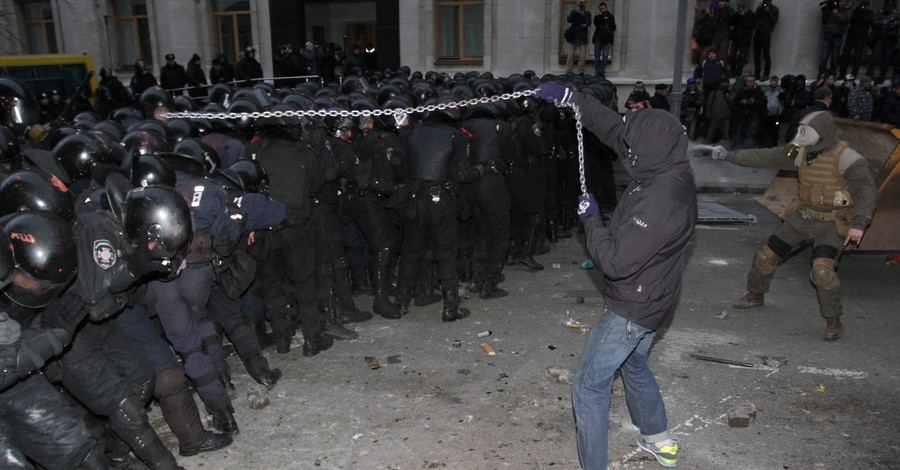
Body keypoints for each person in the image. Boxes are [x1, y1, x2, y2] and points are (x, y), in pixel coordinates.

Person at [535, 81, 696, 470]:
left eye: (631, 145)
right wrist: (574, 99)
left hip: (633, 306)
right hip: (656, 298)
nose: (625, 148)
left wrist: (591, 220)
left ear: (648, 149)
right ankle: (658, 438)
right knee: (635, 364)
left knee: (589, 384)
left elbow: (616, 262)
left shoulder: (660, 202)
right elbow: (615, 131)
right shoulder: (668, 164)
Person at [710, 110, 876, 341]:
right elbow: (767, 157)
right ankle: (756, 294)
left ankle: (833, 320)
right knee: (765, 256)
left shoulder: (848, 158)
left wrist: (860, 223)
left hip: (833, 222)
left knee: (822, 271)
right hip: (804, 216)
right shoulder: (800, 151)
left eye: (806, 131)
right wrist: (730, 156)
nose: (801, 135)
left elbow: (866, 191)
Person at [840, 0, 874, 79]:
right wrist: (857, 11)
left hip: (861, 36)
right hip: (852, 34)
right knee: (846, 54)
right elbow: (850, 20)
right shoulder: (856, 11)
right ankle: (842, 73)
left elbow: (870, 21)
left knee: (857, 56)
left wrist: (864, 12)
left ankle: (854, 74)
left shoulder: (869, 13)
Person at [866, 1, 899, 80]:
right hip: (880, 37)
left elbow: (898, 22)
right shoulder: (879, 12)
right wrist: (882, 23)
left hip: (890, 38)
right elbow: (874, 22)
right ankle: (870, 73)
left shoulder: (896, 13)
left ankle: (882, 75)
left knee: (886, 58)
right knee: (875, 56)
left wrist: (892, 24)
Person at [819, 0, 852, 76]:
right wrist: (826, 11)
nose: (842, 3)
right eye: (841, 1)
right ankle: (821, 74)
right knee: (824, 56)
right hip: (828, 34)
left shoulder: (848, 10)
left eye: (844, 1)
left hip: (838, 35)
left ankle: (833, 74)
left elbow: (845, 20)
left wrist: (836, 13)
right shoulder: (832, 7)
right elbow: (824, 21)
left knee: (835, 57)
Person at [753, 0, 779, 80]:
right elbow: (754, 17)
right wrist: (758, 8)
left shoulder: (774, 9)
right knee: (756, 54)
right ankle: (756, 73)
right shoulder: (761, 8)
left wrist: (768, 12)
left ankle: (766, 73)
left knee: (766, 54)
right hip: (758, 32)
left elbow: (774, 20)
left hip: (766, 33)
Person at [729, 1, 756, 77]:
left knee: (742, 57)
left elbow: (750, 25)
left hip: (744, 39)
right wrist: (736, 14)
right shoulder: (737, 14)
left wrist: (744, 16)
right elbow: (732, 22)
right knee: (731, 55)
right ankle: (732, 71)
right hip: (736, 38)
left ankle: (739, 72)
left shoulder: (750, 14)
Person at [565, 1, 592, 74]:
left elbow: (588, 23)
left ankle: (581, 71)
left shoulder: (587, 14)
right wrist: (575, 12)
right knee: (570, 55)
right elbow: (569, 20)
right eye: (578, 6)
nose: (580, 7)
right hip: (573, 37)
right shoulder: (573, 12)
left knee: (582, 57)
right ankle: (568, 70)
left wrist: (582, 14)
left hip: (582, 37)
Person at [592, 2, 616, 77]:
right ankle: (598, 72)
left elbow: (614, 27)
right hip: (598, 38)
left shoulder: (611, 17)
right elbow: (596, 23)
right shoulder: (597, 17)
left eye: (603, 8)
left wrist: (607, 27)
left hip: (607, 39)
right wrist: (601, 16)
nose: (602, 10)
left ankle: (601, 71)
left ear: (606, 8)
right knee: (597, 57)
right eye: (601, 9)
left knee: (605, 56)